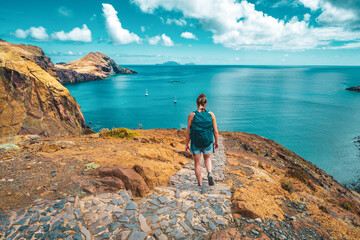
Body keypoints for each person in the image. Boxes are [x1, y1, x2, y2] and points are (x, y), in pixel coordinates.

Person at [185, 93, 219, 186]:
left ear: (196, 103)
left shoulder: (191, 115)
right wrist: (216, 142)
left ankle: (200, 184)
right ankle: (209, 173)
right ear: (205, 104)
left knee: (197, 164)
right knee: (207, 159)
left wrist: (186, 144)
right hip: (207, 142)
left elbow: (188, 132)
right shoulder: (211, 114)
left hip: (196, 143)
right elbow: (215, 131)